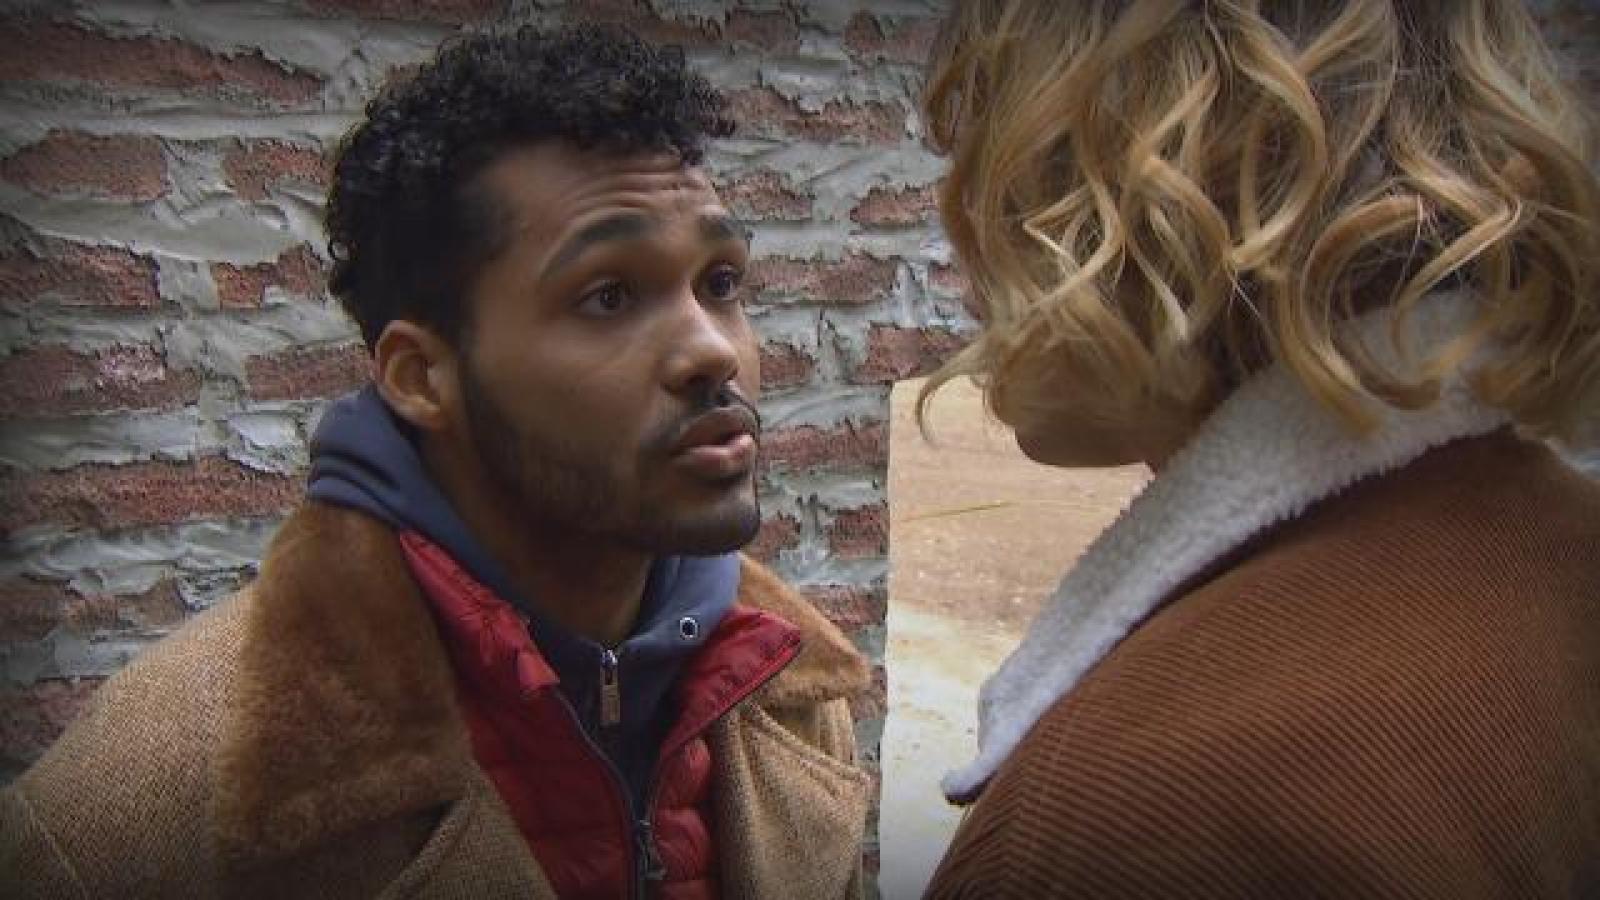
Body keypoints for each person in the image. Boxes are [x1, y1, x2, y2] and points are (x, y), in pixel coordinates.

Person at [0, 24, 872, 900]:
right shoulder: (146, 811)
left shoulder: (786, 690)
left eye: (720, 283)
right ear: (422, 377)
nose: (712, 350)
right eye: (608, 296)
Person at [917, 1, 1600, 896]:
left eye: (989, 148)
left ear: (1136, 179)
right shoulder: (1563, 544)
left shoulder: (1133, 811)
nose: (960, 228)